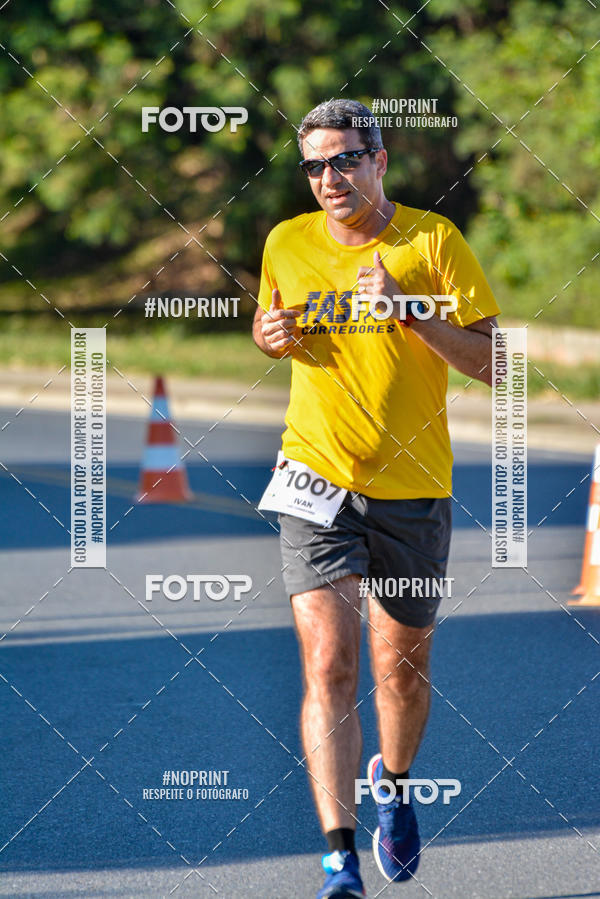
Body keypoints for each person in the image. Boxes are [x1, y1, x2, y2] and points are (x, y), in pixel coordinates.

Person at [252, 98, 500, 899]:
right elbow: (271, 320)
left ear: (380, 160)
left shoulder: (432, 241)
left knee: (402, 672)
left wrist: (411, 312)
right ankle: (338, 860)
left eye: (346, 159)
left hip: (413, 490)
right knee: (330, 662)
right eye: (316, 164)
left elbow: (496, 363)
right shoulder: (286, 241)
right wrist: (268, 335)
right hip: (314, 478)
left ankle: (392, 784)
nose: (330, 177)